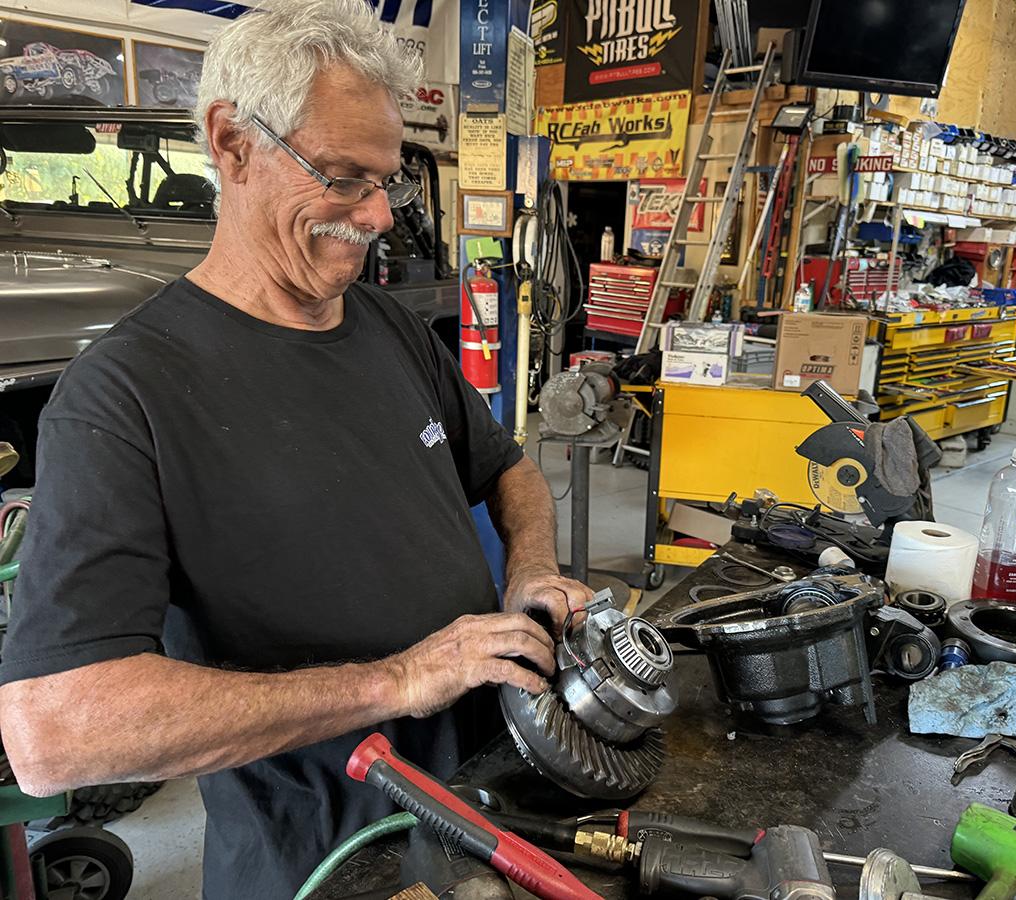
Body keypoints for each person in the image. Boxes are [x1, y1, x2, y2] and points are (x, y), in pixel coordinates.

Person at [0, 1, 591, 896]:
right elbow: (56, 732)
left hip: (488, 804)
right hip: (329, 858)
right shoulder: (123, 397)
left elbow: (506, 468)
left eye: (386, 181)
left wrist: (532, 572)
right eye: (345, 178)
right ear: (232, 143)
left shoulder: (390, 326)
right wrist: (398, 681)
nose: (379, 215)